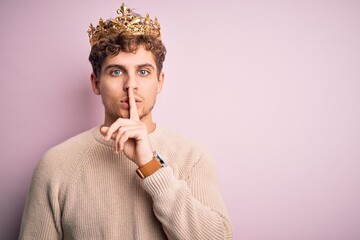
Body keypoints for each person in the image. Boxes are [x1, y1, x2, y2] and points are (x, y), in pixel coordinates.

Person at [19, 3, 233, 239]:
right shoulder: (56, 165)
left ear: (160, 81)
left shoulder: (193, 157)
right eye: (116, 72)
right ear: (96, 83)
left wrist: (150, 166)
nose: (131, 85)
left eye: (143, 72)